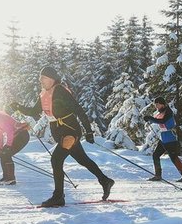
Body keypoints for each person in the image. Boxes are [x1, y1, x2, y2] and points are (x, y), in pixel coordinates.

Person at [11, 65, 113, 207]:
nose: (41, 81)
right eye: (40, 78)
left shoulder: (60, 91)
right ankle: (105, 180)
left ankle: (58, 196)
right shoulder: (44, 94)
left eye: (44, 78)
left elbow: (79, 110)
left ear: (52, 79)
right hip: (59, 132)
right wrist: (18, 106)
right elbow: (34, 111)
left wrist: (89, 131)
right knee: (83, 160)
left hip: (70, 131)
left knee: (56, 160)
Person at [143, 96, 182, 183]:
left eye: (158, 104)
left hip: (171, 139)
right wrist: (149, 119)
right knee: (155, 155)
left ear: (163, 104)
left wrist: (150, 118)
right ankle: (158, 175)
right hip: (163, 139)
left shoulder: (168, 112)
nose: (156, 106)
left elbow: (162, 121)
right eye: (155, 105)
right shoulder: (160, 112)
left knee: (174, 158)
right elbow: (157, 120)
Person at [0, 109, 30, 184]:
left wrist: (8, 146)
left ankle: (11, 179)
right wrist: (0, 148)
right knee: (3, 154)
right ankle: (6, 177)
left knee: (6, 154)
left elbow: (10, 131)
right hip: (16, 136)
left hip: (21, 135)